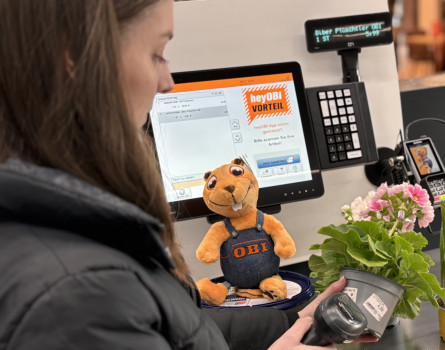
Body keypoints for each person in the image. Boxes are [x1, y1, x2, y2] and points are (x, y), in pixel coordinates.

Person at [0, 1, 372, 349]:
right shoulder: (78, 291)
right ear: (75, 57)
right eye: (157, 54)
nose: (168, 81)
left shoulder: (92, 240)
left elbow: (183, 326)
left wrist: (294, 322)